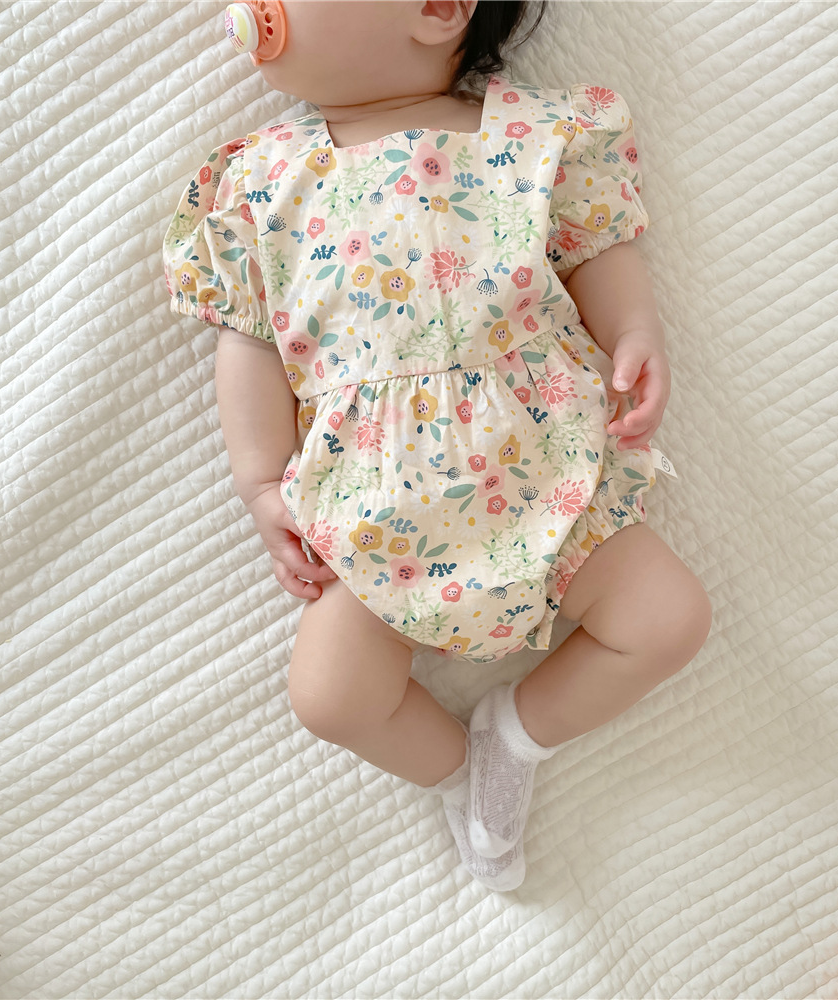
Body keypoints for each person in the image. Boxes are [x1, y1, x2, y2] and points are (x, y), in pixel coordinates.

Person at [163, 0, 711, 890]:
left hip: (547, 475)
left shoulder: (535, 137)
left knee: (669, 621)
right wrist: (261, 483)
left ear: (436, 10)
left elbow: (597, 249)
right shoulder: (262, 180)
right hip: (376, 505)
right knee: (331, 699)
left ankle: (518, 733)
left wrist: (636, 331)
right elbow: (250, 344)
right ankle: (464, 771)